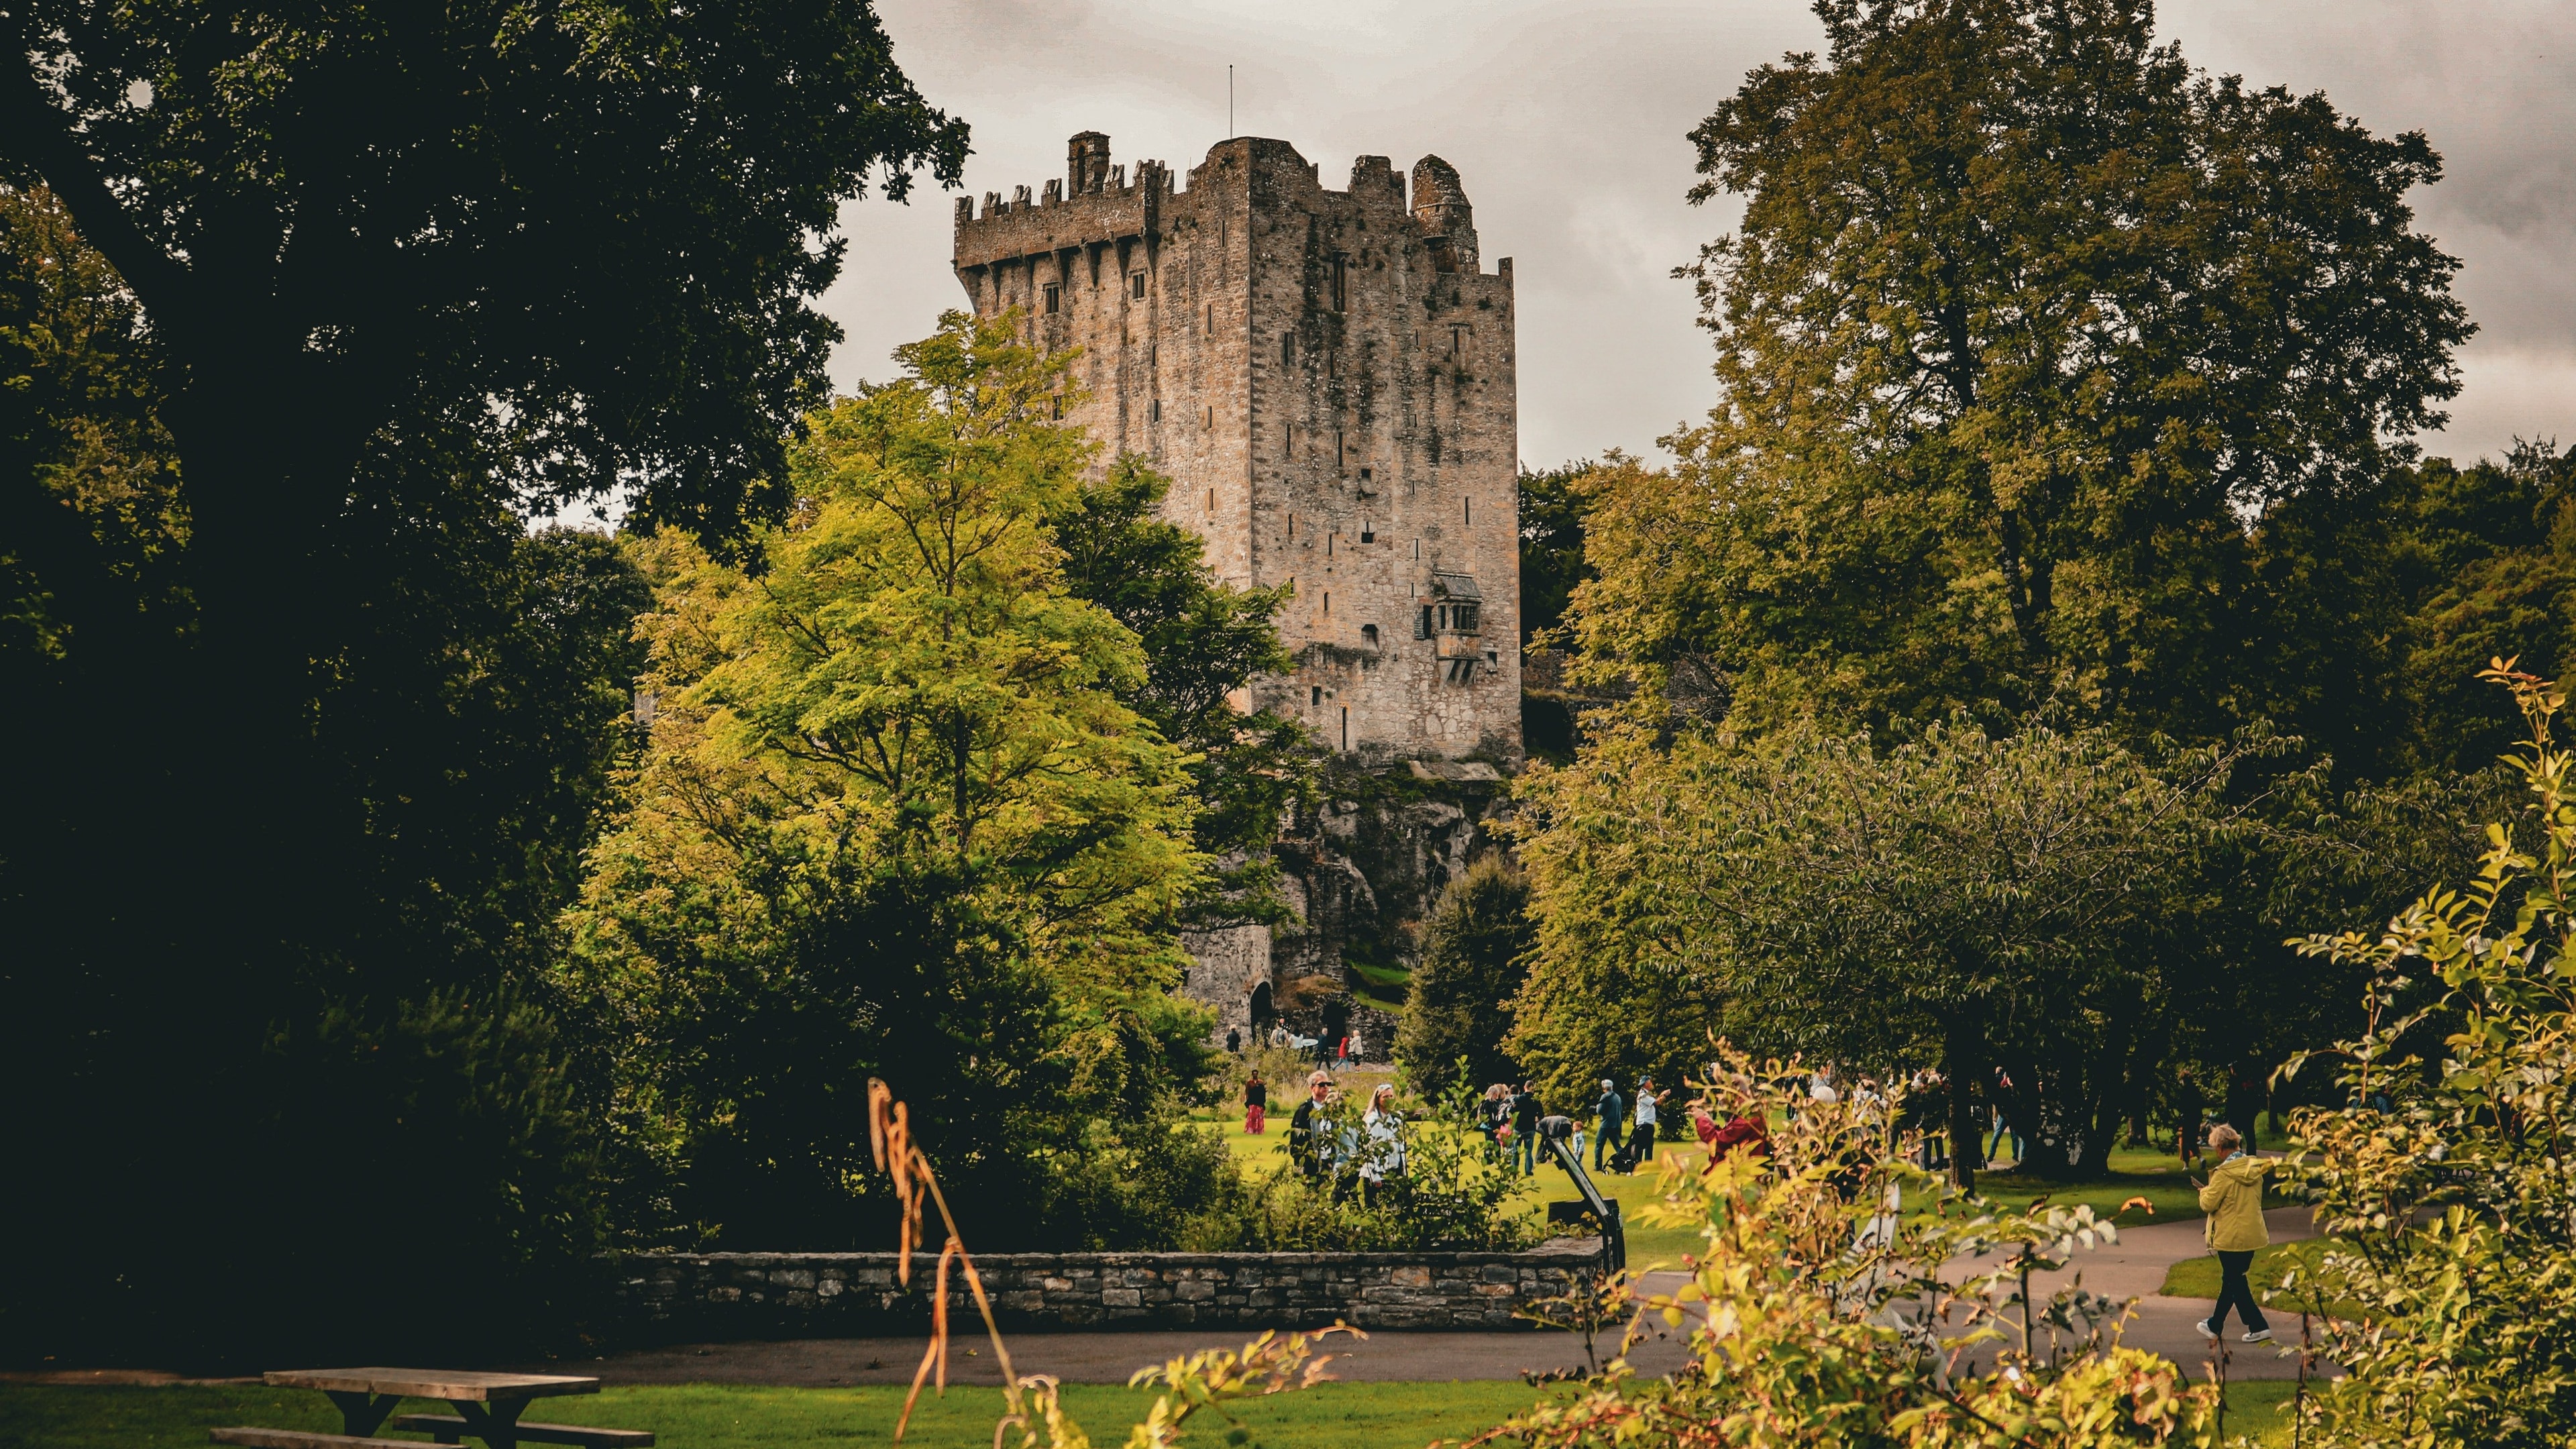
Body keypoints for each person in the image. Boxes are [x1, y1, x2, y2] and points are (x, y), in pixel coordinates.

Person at [2195, 1122, 2274, 1346]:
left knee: (2234, 1281)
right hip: (2252, 1232)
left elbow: (2209, 1204)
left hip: (2230, 1235)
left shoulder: (2223, 1174)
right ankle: (2217, 1324)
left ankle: (2257, 1325)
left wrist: (2203, 1192)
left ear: (2220, 1148)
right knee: (2233, 1280)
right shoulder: (2254, 1168)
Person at [1358, 1083, 1407, 1207]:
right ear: (1378, 1099)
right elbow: (1369, 1149)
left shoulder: (1396, 1118)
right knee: (1375, 1210)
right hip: (1377, 1173)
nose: (1389, 1099)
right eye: (1385, 1097)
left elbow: (1400, 1145)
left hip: (1394, 1170)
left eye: (1391, 1096)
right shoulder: (1372, 1120)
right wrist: (1375, 1176)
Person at [1288, 1070, 1332, 1180]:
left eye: (1328, 1084)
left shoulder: (1331, 1110)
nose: (1325, 1087)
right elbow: (1296, 1139)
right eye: (1321, 1084)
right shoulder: (1304, 1110)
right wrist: (1301, 1160)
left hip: (1326, 1161)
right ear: (1312, 1088)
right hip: (1309, 1162)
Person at [1629, 1075, 1669, 1173]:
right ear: (1646, 1083)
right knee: (1641, 1147)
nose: (1651, 1083)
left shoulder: (1646, 1094)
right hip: (1644, 1124)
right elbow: (1657, 1103)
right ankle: (1638, 1166)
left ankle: (1647, 1166)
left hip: (1648, 1124)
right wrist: (1664, 1095)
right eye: (1650, 1082)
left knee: (1648, 1146)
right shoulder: (1643, 1095)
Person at [1511, 1081, 1544, 1177]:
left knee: (1515, 1151)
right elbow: (1541, 1114)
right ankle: (1528, 1171)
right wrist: (1536, 1118)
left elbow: (1511, 1111)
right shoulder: (1535, 1100)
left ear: (1525, 1087)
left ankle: (1514, 1171)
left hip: (1518, 1128)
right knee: (1528, 1151)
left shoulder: (1518, 1099)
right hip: (1530, 1128)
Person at [1593, 1077, 1625, 1171]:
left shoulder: (1605, 1096)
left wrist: (1595, 1108)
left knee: (1599, 1145)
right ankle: (1626, 1161)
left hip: (1606, 1125)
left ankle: (1598, 1166)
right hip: (1616, 1125)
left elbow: (1600, 1110)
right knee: (1617, 1146)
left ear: (1604, 1088)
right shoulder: (1617, 1097)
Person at [1244, 1070, 1268, 1135]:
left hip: (1259, 1103)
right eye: (1254, 1074)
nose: (1255, 1075)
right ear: (1252, 1075)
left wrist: (1263, 1102)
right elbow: (1247, 1092)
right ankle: (1251, 1130)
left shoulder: (1261, 1082)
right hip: (1252, 1102)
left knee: (1259, 1117)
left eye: (1256, 1074)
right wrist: (1248, 1101)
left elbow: (1263, 1093)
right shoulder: (1249, 1083)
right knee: (1252, 1117)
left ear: (1257, 1074)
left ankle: (1259, 1130)